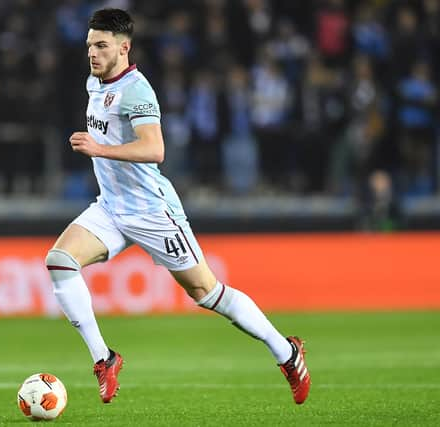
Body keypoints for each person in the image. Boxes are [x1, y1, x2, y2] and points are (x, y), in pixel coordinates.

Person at [45, 8, 311, 405]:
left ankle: (285, 352)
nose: (93, 54)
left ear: (124, 48)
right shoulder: (94, 82)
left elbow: (155, 149)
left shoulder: (137, 90)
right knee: (59, 261)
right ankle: (104, 359)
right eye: (89, 46)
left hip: (152, 212)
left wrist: (99, 148)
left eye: (102, 46)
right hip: (112, 208)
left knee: (207, 292)